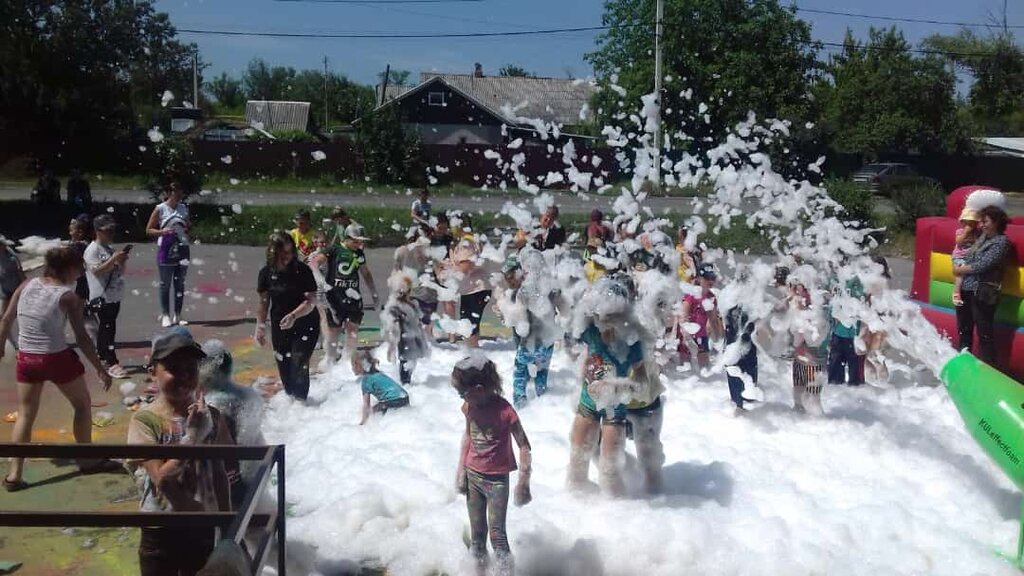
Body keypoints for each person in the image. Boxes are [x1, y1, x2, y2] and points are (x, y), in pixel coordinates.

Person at [0, 247, 116, 491]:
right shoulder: (67, 297)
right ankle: (87, 459)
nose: (81, 273)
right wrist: (100, 368)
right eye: (79, 269)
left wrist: (1, 346)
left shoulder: (26, 285)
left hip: (27, 359)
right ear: (68, 269)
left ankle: (14, 474)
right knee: (82, 405)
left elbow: (6, 319)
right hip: (55, 358)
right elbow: (82, 338)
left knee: (25, 414)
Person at [126, 327, 233, 576]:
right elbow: (161, 478)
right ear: (153, 372)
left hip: (202, 525)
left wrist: (228, 524)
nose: (184, 376)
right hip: (160, 527)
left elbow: (219, 471)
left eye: (191, 369)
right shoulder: (145, 420)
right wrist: (193, 436)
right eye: (173, 368)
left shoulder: (212, 416)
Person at [568, 275, 664, 497]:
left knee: (610, 467)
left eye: (612, 316)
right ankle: (577, 498)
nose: (605, 321)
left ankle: (621, 503)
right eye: (601, 315)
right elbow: (570, 324)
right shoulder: (591, 332)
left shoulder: (632, 341)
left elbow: (641, 381)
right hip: (587, 403)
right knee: (577, 459)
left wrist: (615, 385)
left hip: (616, 409)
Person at [452, 356, 532, 576]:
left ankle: (505, 572)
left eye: (462, 393)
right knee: (477, 536)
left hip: (496, 481)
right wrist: (461, 472)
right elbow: (468, 436)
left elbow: (524, 446)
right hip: (473, 477)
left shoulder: (505, 412)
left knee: (497, 536)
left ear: (478, 389)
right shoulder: (469, 407)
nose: (461, 397)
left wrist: (523, 481)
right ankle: (478, 571)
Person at [199, 339, 265, 509]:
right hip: (250, 468)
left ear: (208, 374)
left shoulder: (214, 403)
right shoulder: (247, 393)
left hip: (229, 473)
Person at [255, 232, 321, 401]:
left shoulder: (302, 270)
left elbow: (311, 301)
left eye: (290, 252)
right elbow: (263, 302)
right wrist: (260, 326)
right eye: (283, 253)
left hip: (306, 323)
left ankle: (301, 405)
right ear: (272, 252)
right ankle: (291, 402)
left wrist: (293, 315)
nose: (287, 256)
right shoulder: (266, 273)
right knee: (284, 366)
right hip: (280, 325)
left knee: (299, 363)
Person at [312, 223, 380, 363]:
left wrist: (374, 293)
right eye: (356, 241)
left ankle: (347, 361)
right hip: (334, 297)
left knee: (353, 328)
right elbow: (313, 263)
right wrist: (320, 280)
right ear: (346, 238)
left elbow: (366, 273)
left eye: (361, 242)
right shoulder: (334, 250)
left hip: (353, 296)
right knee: (334, 330)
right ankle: (330, 359)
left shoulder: (359, 254)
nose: (359, 244)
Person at [496, 254, 555, 409]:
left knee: (520, 371)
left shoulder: (523, 292)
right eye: (506, 278)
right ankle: (543, 401)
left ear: (522, 272)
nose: (508, 281)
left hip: (530, 342)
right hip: (548, 341)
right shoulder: (549, 286)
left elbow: (516, 321)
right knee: (542, 371)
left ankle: (520, 403)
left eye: (511, 277)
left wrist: (502, 311)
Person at [954, 205, 1011, 364]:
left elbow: (984, 264)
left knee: (984, 333)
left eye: (985, 221)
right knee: (964, 329)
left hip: (983, 292)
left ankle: (988, 366)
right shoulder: (983, 237)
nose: (981, 225)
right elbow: (969, 256)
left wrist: (961, 269)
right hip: (966, 288)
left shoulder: (1001, 242)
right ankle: (963, 362)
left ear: (996, 222)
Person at [84, 214, 130, 379]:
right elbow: (97, 271)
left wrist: (122, 261)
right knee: (107, 328)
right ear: (98, 231)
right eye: (108, 231)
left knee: (109, 327)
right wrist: (113, 259)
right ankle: (110, 361)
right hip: (101, 296)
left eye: (113, 230)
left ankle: (104, 357)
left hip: (113, 295)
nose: (111, 234)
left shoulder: (109, 249)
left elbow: (118, 271)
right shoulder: (92, 250)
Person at [145, 181, 191, 328]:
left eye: (180, 191)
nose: (180, 193)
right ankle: (165, 315)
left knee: (180, 283)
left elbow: (188, 225)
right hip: (166, 248)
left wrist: (187, 228)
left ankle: (178, 314)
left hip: (182, 247)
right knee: (165, 284)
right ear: (169, 193)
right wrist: (162, 231)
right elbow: (148, 230)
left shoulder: (183, 207)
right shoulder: (160, 208)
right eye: (176, 191)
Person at [383, 273, 430, 386]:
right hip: (404, 338)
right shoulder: (396, 307)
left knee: (411, 362)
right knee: (406, 362)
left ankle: (406, 382)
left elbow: (421, 319)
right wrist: (392, 345)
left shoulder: (413, 304)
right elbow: (393, 327)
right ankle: (405, 383)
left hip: (414, 337)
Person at [677, 264, 722, 370]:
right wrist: (687, 338)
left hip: (702, 336)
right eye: (707, 278)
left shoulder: (712, 297)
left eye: (713, 277)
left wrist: (718, 340)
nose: (710, 281)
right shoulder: (691, 295)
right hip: (687, 336)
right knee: (685, 368)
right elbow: (683, 317)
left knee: (705, 369)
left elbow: (712, 320)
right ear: (698, 278)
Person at [450, 237, 491, 348]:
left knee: (469, 324)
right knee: (471, 324)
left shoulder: (465, 244)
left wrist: (451, 269)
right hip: (472, 289)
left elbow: (467, 264)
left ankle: (472, 352)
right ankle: (473, 351)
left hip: (476, 289)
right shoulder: (462, 244)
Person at [354, 349, 409, 425]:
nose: (352, 368)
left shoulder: (366, 380)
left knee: (373, 413)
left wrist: (363, 423)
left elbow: (366, 405)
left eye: (353, 365)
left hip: (394, 401)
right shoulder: (378, 374)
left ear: (359, 366)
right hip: (404, 397)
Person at [723, 303, 758, 414]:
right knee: (736, 368)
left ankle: (742, 403)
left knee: (744, 369)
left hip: (745, 340)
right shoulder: (729, 301)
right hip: (735, 341)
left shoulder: (750, 301)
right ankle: (739, 405)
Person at [0, 236, 25, 352]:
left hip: (17, 291)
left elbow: (21, 274)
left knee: (21, 316)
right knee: (4, 318)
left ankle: (23, 342)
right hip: (5, 292)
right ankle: (11, 344)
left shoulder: (12, 258)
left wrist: (25, 288)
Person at [951, 208, 980, 306]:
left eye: (972, 223)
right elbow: (958, 242)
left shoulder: (977, 233)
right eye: (967, 223)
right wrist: (965, 232)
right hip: (959, 257)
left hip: (970, 258)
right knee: (960, 275)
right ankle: (956, 293)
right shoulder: (960, 231)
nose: (969, 226)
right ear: (962, 223)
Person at [68, 214, 93, 306]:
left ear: (80, 233)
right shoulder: (87, 243)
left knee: (79, 303)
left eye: (72, 230)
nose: (70, 233)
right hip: (87, 277)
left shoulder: (78, 246)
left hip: (84, 278)